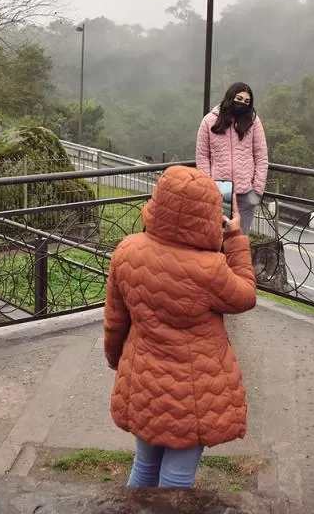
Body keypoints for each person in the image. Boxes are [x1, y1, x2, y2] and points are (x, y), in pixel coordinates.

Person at [103, 165, 257, 488]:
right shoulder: (210, 270)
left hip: (143, 380)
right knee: (176, 478)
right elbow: (245, 295)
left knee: (144, 467)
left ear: (158, 201)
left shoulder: (127, 252)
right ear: (207, 214)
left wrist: (119, 362)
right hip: (194, 393)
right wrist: (235, 239)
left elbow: (115, 322)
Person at [196, 82, 268, 230]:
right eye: (239, 98)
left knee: (240, 241)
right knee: (217, 239)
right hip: (218, 193)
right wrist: (209, 186)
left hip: (245, 194)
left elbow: (261, 156)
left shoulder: (253, 121)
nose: (242, 103)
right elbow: (202, 156)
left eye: (247, 101)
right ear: (230, 97)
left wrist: (257, 191)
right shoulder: (209, 121)